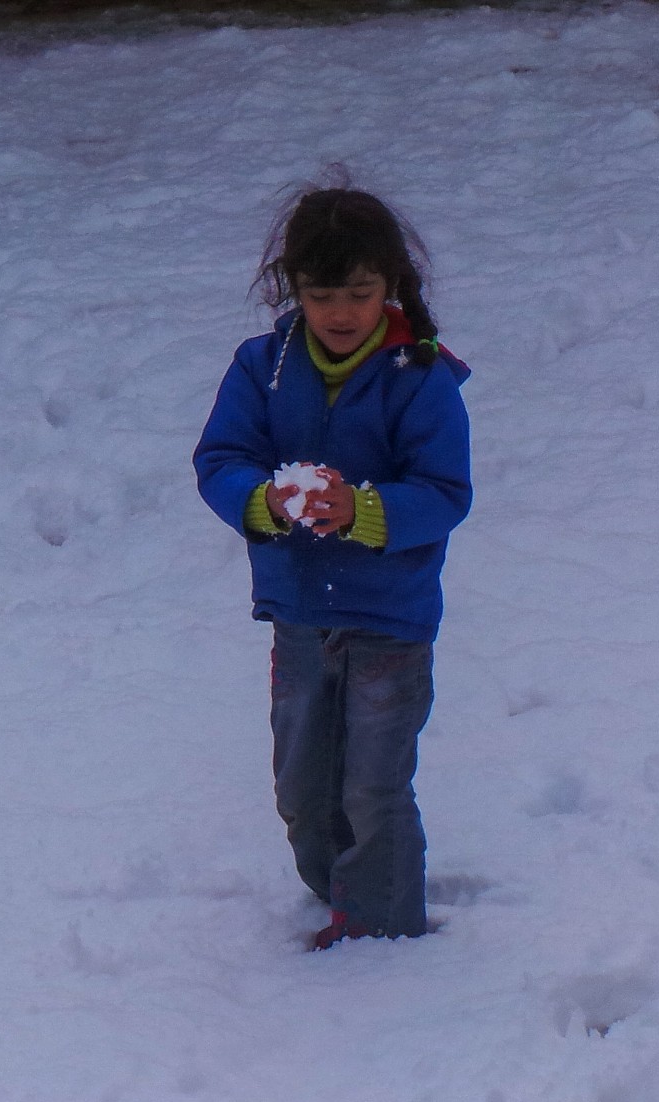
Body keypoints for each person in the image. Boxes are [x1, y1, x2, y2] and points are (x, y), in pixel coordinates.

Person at [192, 185, 471, 949]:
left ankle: (378, 934)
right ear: (293, 290)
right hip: (300, 616)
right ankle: (336, 888)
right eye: (322, 295)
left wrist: (364, 511)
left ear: (393, 287)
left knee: (375, 785)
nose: (342, 313)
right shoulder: (265, 368)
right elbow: (221, 459)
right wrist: (261, 500)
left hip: (390, 619)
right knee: (302, 789)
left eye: (361, 293)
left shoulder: (419, 376)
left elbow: (445, 492)